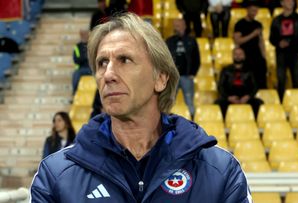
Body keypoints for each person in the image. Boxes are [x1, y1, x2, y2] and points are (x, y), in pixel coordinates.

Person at [30, 13, 252, 203]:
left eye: (124, 60)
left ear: (161, 78)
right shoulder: (55, 175)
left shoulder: (220, 171)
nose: (108, 75)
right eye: (102, 63)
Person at [269, 0, 298, 100]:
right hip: (281, 54)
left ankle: (297, 102)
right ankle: (281, 102)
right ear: (282, 3)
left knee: (296, 79)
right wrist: (278, 43)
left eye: (292, 1)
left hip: (295, 54)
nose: (290, 2)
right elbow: (272, 38)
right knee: (281, 80)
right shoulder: (276, 20)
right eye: (288, 0)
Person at [166, 18, 200, 120]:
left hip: (186, 76)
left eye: (179, 25)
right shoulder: (169, 40)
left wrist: (193, 73)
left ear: (184, 26)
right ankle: (166, 122)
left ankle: (192, 122)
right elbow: (165, 58)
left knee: (189, 100)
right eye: (176, 26)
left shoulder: (191, 40)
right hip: (173, 77)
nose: (177, 28)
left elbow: (196, 58)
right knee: (169, 101)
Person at [215, 47, 263, 118]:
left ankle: (254, 123)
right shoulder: (225, 70)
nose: (238, 56)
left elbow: (255, 86)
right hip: (230, 96)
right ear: (232, 56)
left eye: (240, 54)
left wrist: (248, 97)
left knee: (259, 103)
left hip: (245, 96)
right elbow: (220, 86)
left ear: (244, 56)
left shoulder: (250, 70)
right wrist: (228, 97)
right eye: (236, 54)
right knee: (218, 104)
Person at [233, 0, 267, 89]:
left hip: (257, 57)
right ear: (247, 10)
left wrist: (264, 57)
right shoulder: (240, 24)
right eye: (252, 10)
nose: (254, 13)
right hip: (245, 57)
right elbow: (237, 41)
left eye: (256, 11)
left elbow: (261, 41)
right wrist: (252, 35)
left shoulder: (258, 24)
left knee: (260, 81)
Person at [72, 29, 92, 95]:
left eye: (86, 34)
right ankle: (75, 94)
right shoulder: (77, 47)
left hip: (92, 68)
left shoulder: (92, 45)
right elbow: (76, 60)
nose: (84, 36)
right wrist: (85, 57)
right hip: (81, 68)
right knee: (76, 74)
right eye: (83, 34)